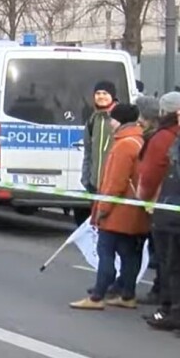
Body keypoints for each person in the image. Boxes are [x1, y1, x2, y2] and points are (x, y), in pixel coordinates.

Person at [71, 104, 148, 310]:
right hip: (135, 212)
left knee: (105, 251)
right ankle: (127, 295)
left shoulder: (123, 146)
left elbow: (114, 183)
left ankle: (97, 296)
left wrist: (102, 209)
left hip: (117, 212)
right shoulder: (140, 141)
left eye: (113, 119)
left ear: (120, 121)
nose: (111, 123)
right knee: (129, 254)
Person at [138, 92, 180, 308]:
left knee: (166, 258)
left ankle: (166, 302)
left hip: (163, 203)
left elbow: (151, 172)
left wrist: (143, 198)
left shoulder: (162, 136)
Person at [82, 81, 119, 195]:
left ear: (112, 96)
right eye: (98, 93)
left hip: (114, 187)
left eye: (105, 93)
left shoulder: (120, 119)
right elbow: (88, 153)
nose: (101, 96)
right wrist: (86, 180)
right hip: (95, 187)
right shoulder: (92, 120)